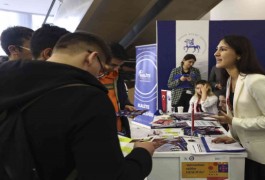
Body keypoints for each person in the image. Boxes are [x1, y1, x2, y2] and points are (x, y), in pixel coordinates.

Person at [0, 31, 154, 179]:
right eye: (101, 70)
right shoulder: (88, 98)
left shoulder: (7, 80)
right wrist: (142, 153)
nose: (99, 76)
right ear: (92, 58)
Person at [211, 35, 265, 180]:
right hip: (250, 149)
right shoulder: (230, 81)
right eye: (217, 49)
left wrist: (234, 122)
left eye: (223, 49)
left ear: (239, 54)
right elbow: (241, 114)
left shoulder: (257, 81)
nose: (216, 53)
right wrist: (231, 136)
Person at [99, 42, 136, 137]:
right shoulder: (88, 77)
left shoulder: (117, 75)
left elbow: (121, 96)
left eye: (119, 66)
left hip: (118, 128)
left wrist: (126, 105)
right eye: (113, 65)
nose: (116, 69)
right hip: (99, 129)